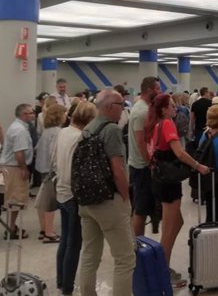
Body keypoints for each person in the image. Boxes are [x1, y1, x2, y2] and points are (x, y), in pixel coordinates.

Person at [77, 91, 135, 296]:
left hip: (86, 200)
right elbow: (117, 168)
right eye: (122, 104)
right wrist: (125, 196)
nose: (124, 108)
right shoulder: (111, 130)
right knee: (125, 258)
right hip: (108, 201)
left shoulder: (87, 129)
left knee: (90, 255)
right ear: (110, 106)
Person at [149, 93, 210, 287]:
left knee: (177, 222)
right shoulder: (167, 124)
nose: (176, 108)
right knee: (169, 228)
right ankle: (163, 271)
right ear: (164, 109)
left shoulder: (155, 124)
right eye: (172, 106)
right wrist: (197, 165)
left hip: (161, 178)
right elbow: (179, 153)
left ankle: (162, 264)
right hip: (169, 181)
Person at [52, 101, 96, 296]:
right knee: (75, 243)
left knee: (65, 240)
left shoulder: (63, 132)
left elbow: (54, 160)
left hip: (61, 191)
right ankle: (68, 287)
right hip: (74, 194)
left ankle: (62, 281)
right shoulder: (81, 137)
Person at [128, 76, 161, 236]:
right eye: (157, 89)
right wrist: (150, 163)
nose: (159, 92)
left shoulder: (142, 108)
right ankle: (139, 244)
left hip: (139, 164)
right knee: (140, 210)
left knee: (144, 206)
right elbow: (141, 142)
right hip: (141, 166)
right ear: (149, 90)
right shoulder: (141, 111)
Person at [0, 103, 35, 239]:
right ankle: (11, 228)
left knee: (14, 198)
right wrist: (24, 169)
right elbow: (19, 153)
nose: (33, 115)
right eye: (30, 113)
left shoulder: (18, 127)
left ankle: (11, 226)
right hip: (15, 168)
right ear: (23, 114)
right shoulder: (20, 130)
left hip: (12, 167)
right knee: (16, 199)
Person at [35, 103, 66, 242]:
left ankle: (43, 228)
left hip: (42, 168)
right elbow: (55, 153)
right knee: (50, 203)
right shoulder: (57, 132)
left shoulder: (46, 131)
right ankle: (49, 232)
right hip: (51, 170)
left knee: (42, 201)